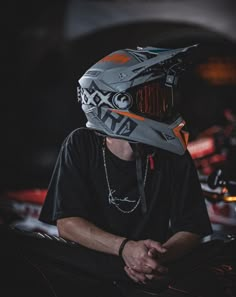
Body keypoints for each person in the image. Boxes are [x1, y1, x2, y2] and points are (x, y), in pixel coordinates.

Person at [39, 45, 214, 295]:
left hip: (153, 276)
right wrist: (127, 249)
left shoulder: (173, 154)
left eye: (164, 99)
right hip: (88, 278)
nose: (162, 108)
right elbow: (67, 223)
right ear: (118, 101)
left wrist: (154, 261)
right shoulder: (81, 143)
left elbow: (192, 227)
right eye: (152, 99)